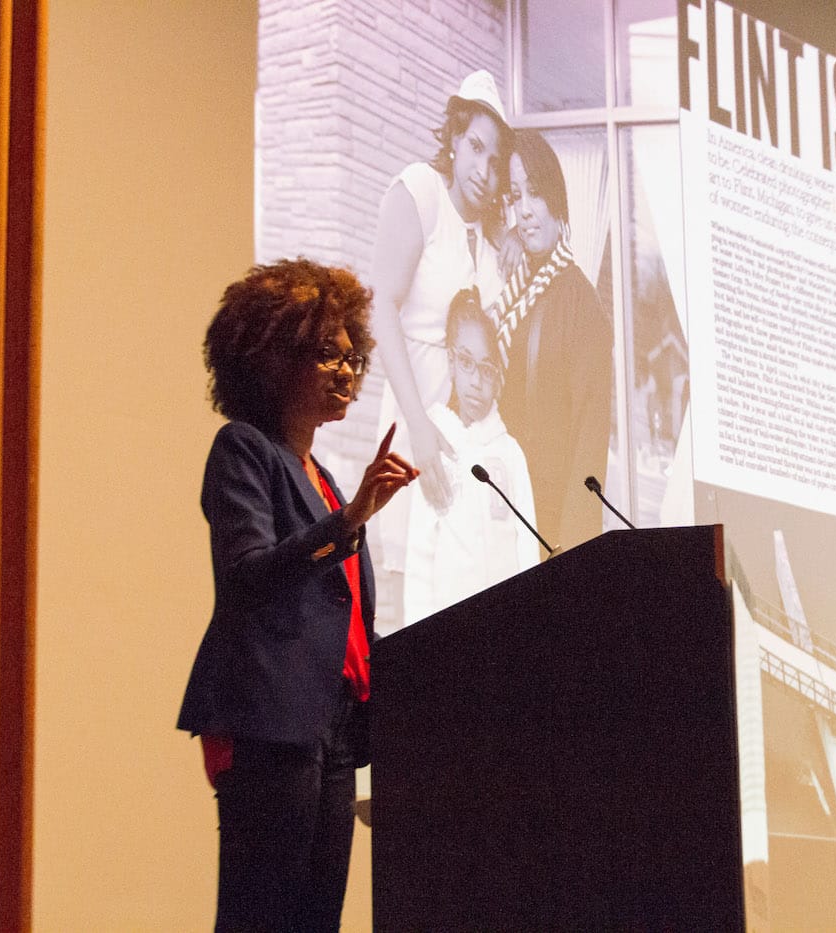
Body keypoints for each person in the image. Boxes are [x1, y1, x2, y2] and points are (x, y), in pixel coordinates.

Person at [176, 258, 418, 932]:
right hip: (269, 721)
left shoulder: (330, 482)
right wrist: (346, 525)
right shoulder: (243, 451)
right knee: (262, 918)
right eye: (325, 354)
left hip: (333, 727)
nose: (346, 371)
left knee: (317, 921)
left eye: (353, 357)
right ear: (271, 358)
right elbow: (249, 574)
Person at [369, 70, 512, 615]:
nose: (483, 169)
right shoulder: (420, 193)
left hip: (468, 462)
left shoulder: (492, 240)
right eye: (475, 147)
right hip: (414, 439)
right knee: (404, 617)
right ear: (454, 138)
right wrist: (420, 431)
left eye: (496, 160)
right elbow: (380, 308)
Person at [494, 129, 613, 551]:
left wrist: (571, 552)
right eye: (515, 196)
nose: (524, 211)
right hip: (501, 520)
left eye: (536, 193)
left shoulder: (580, 303)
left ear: (557, 200)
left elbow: (588, 447)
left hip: (547, 532)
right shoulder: (512, 288)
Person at [403, 287, 539, 624]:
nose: (476, 382)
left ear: (498, 379)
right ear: (451, 361)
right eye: (466, 363)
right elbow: (420, 552)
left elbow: (527, 545)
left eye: (487, 370)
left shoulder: (509, 452)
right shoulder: (435, 446)